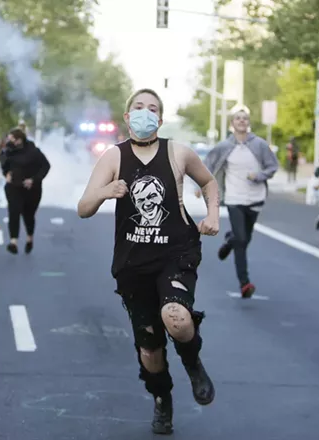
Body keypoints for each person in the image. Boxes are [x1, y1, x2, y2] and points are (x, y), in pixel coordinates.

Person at [77, 88, 219, 435]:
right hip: (133, 264)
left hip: (176, 253)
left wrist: (213, 214)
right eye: (138, 108)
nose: (145, 113)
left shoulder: (178, 153)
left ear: (160, 117)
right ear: (127, 117)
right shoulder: (113, 157)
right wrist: (104, 192)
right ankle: (162, 400)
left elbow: (209, 181)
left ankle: (192, 361)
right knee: (150, 352)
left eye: (152, 108)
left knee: (177, 318)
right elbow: (84, 208)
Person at [197, 109, 279, 298]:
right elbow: (206, 165)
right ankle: (244, 283)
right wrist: (201, 184)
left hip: (255, 197)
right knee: (242, 240)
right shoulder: (224, 146)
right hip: (234, 198)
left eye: (244, 118)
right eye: (237, 118)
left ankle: (229, 241)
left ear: (248, 122)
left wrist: (259, 176)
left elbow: (272, 166)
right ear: (232, 123)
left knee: (245, 238)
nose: (241, 121)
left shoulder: (259, 144)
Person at [0, 128, 51, 254]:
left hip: (31, 189)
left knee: (28, 215)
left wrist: (33, 179)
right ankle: (13, 242)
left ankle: (29, 238)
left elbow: (46, 166)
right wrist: (6, 173)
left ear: (19, 140)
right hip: (13, 187)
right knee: (14, 212)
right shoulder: (8, 151)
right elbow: (4, 165)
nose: (10, 142)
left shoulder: (34, 152)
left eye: (12, 140)